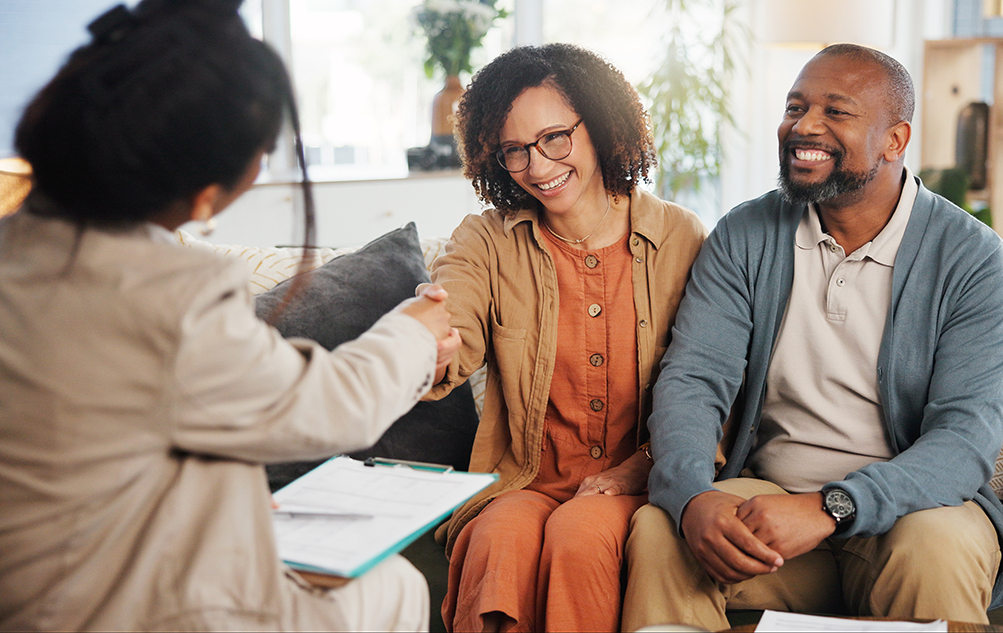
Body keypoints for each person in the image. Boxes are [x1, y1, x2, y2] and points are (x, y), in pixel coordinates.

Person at [0, 1, 459, 630]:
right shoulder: (165, 298)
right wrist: (413, 333)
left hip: (40, 581)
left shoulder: (18, 246)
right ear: (204, 192)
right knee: (392, 589)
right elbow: (330, 405)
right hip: (112, 603)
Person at [621, 44, 1003, 632]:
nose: (804, 126)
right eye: (795, 107)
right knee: (662, 527)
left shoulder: (972, 259)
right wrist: (691, 496)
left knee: (934, 546)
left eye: (835, 112)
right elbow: (693, 379)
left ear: (895, 140)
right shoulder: (746, 234)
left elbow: (964, 441)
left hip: (911, 514)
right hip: (770, 501)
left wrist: (829, 508)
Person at [423, 44, 707, 633]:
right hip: (527, 479)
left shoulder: (679, 236)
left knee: (580, 535)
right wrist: (429, 342)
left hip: (643, 479)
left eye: (555, 137)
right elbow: (453, 311)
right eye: (515, 150)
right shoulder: (486, 240)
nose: (538, 165)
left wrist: (637, 470)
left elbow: (714, 381)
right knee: (499, 535)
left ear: (600, 126)